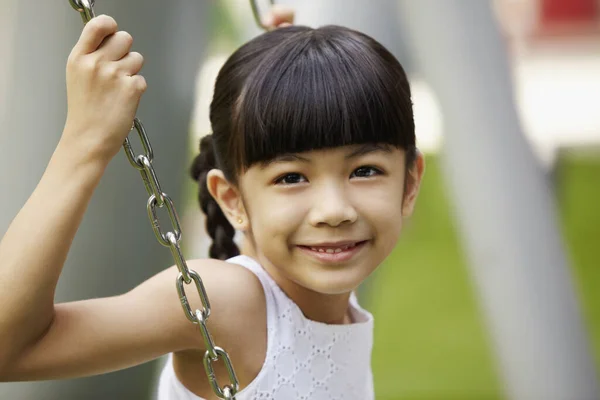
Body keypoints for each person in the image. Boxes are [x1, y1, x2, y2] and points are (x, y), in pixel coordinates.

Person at [0, 4, 424, 400]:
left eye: (365, 171)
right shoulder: (225, 302)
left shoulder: (333, 296)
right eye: (291, 177)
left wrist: (289, 73)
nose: (334, 211)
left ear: (409, 183)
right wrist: (84, 144)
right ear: (232, 199)